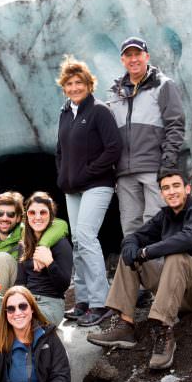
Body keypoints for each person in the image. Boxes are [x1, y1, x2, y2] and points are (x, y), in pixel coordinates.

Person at [87, 169, 192, 370]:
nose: (171, 191)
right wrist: (130, 248)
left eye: (176, 186)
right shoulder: (164, 216)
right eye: (166, 188)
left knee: (178, 256)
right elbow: (135, 237)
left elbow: (186, 239)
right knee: (130, 258)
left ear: (187, 189)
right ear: (161, 193)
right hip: (177, 295)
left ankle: (164, 331)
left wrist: (145, 252)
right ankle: (124, 325)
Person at [55, 56, 122, 327]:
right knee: (78, 242)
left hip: (97, 185)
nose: (74, 87)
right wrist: (63, 175)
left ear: (88, 84)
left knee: (86, 236)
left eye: (78, 82)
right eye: (69, 83)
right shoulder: (65, 113)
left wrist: (89, 171)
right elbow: (60, 150)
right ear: (64, 87)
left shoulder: (99, 111)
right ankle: (82, 301)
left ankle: (101, 303)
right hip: (72, 189)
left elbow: (113, 148)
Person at [105, 36, 185, 237]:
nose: (133, 59)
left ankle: (161, 269)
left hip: (153, 167)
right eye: (128, 55)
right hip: (124, 173)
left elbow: (175, 124)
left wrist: (168, 162)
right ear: (123, 60)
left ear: (146, 56)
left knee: (155, 224)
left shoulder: (163, 85)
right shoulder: (115, 94)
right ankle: (139, 269)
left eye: (137, 54)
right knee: (131, 228)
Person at [0, 191, 67, 292]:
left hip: (24, 290)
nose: (4, 218)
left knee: (1, 258)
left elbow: (60, 224)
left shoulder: (27, 231)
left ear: (18, 218)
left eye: (11, 214)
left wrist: (43, 245)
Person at [16, 192, 73, 326]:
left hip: (51, 304)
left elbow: (63, 286)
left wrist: (49, 262)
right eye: (32, 213)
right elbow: (20, 282)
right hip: (27, 301)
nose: (37, 217)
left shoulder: (61, 244)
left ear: (51, 215)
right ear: (27, 216)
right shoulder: (24, 244)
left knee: (23, 321)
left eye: (43, 212)